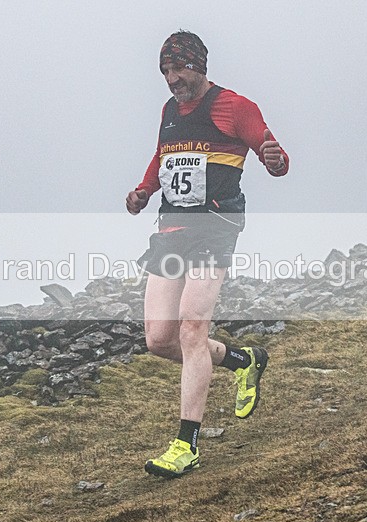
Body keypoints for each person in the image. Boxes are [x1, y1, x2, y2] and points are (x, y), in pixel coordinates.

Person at [125, 30, 289, 478]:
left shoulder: (236, 107)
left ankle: (186, 445)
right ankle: (242, 360)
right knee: (160, 339)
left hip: (216, 228)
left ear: (199, 65)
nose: (172, 79)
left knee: (193, 328)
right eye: (165, 72)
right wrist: (143, 190)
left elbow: (275, 158)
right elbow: (164, 158)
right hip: (172, 230)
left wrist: (275, 160)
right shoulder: (169, 112)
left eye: (179, 69)